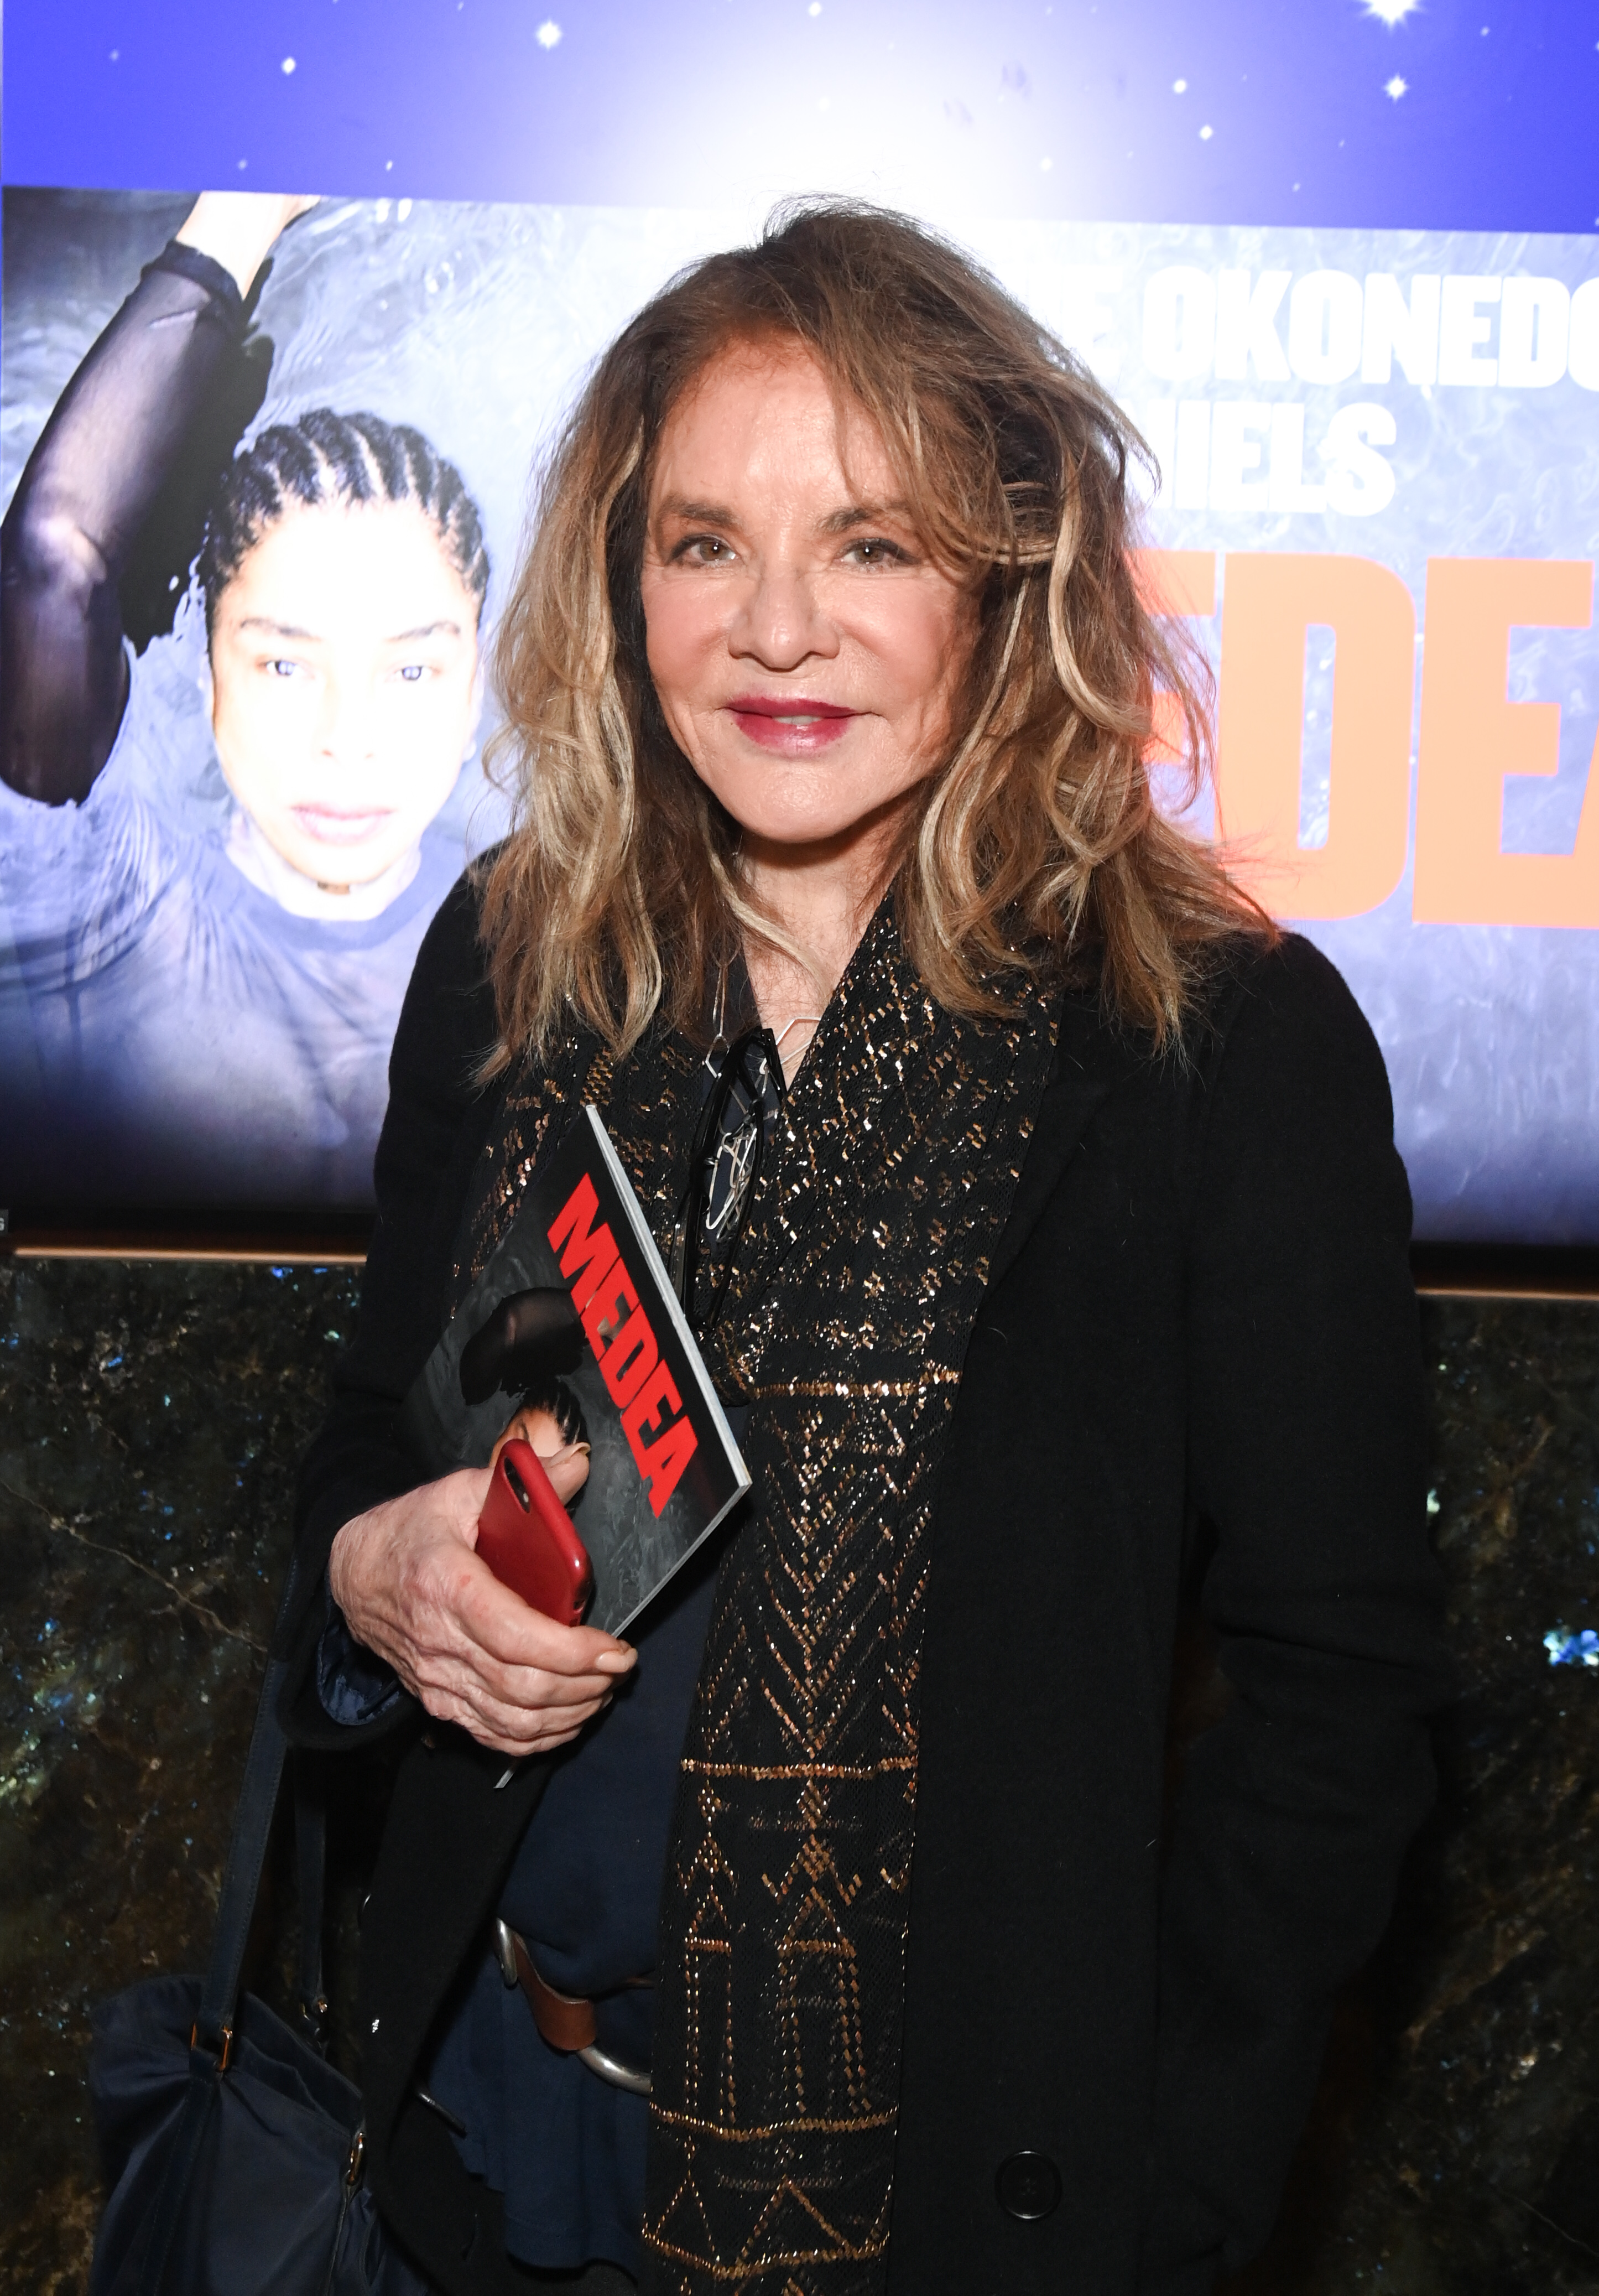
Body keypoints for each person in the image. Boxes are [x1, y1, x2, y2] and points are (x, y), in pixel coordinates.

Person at [279, 201, 1446, 2295]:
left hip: (949, 2220)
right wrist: (377, 1574)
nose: (777, 628)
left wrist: (1148, 2222)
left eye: (875, 546)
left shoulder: (1210, 1045)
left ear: (1013, 587)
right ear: (624, 583)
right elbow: (369, 1448)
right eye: (705, 542)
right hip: (472, 2132)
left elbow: (1338, 1710)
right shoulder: (519, 962)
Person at [0, 192, 491, 1208]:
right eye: (284, 665)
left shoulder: (548, 933)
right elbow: (55, 562)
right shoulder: (110, 885)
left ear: (477, 683)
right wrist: (246, 207)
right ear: (205, 672)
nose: (346, 742)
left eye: (410, 670)